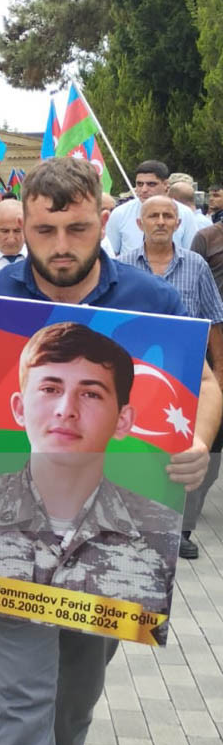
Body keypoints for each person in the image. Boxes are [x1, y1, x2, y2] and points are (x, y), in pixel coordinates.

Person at [0, 155, 219, 745]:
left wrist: (199, 440)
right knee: (21, 700)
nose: (60, 246)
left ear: (104, 222)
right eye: (44, 230)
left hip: (116, 544)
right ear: (20, 226)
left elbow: (206, 383)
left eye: (76, 229)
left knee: (74, 701)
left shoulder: (150, 297)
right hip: (1, 536)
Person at [0, 322, 180, 626]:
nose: (66, 409)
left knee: (84, 673)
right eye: (50, 389)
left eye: (90, 394)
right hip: (10, 638)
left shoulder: (158, 528)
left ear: (122, 420)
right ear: (20, 408)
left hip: (92, 648)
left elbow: (146, 622)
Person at [119, 195, 223, 559]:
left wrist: (220, 377)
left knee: (191, 452)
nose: (161, 221)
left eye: (168, 216)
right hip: (136, 378)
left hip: (186, 378)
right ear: (140, 223)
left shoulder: (196, 266)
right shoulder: (123, 267)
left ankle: (180, 529)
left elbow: (215, 322)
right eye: (153, 215)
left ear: (178, 223)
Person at [105, 160, 201, 253]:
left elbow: (191, 252)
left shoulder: (185, 214)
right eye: (139, 184)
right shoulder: (120, 213)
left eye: (151, 184)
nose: (144, 189)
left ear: (166, 185)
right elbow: (111, 253)